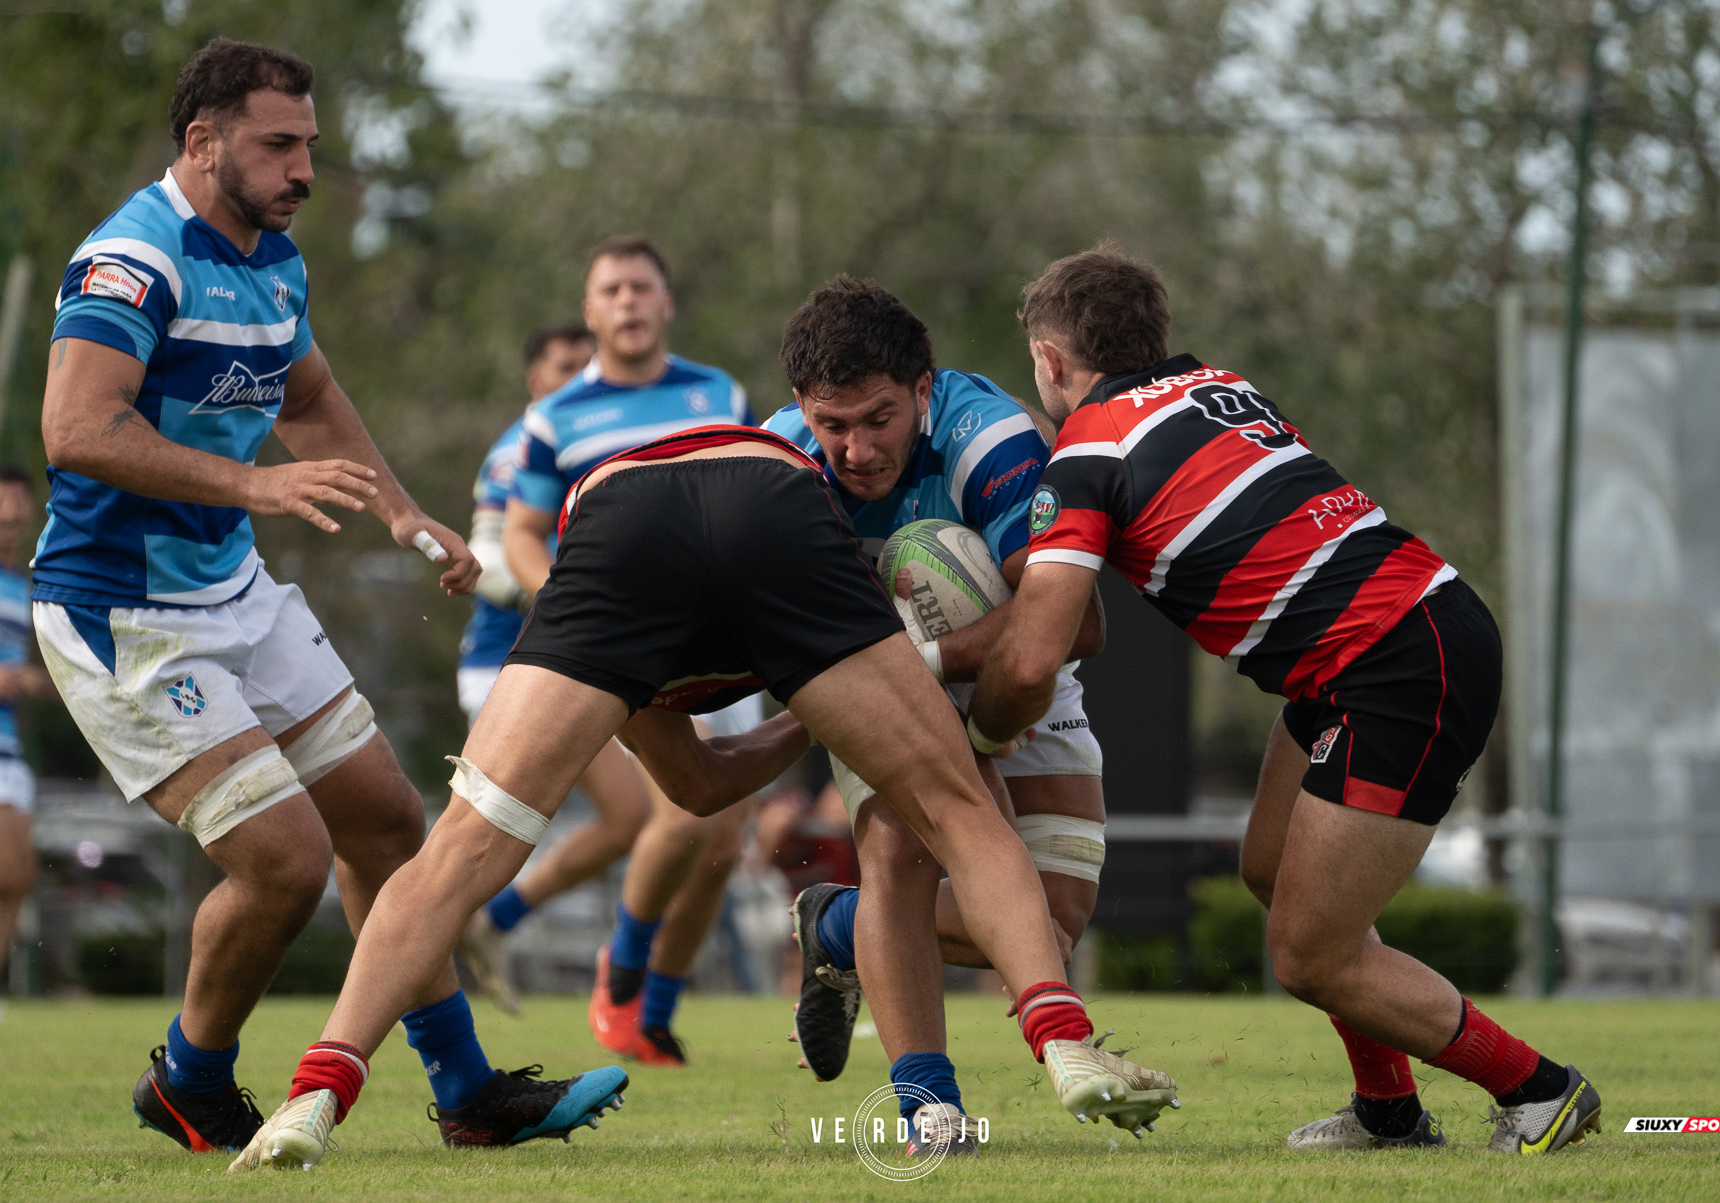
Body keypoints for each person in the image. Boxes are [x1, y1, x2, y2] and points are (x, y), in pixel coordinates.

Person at [229, 422, 1177, 1172]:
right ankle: (1065, 1039)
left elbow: (695, 784)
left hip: (617, 525)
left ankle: (319, 1085)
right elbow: (705, 787)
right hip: (767, 500)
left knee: (461, 850)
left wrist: (823, 711)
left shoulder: (620, 588)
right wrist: (834, 710)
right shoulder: (792, 481)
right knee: (957, 809)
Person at [34, 37, 620, 1155]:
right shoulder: (130, 261)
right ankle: (189, 1081)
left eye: (311, 144)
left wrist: (402, 512)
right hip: (125, 615)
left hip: (234, 590)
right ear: (203, 142)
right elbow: (75, 428)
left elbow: (308, 392)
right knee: (286, 862)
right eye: (280, 144)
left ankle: (466, 1092)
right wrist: (252, 481)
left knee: (393, 823)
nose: (306, 168)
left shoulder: (274, 260)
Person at [968, 243, 1602, 1156]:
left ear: (1051, 360)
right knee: (1269, 870)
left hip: (1396, 659)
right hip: (1382, 642)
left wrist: (974, 739)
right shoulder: (1221, 387)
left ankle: (1539, 1091)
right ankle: (1388, 1112)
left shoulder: (1089, 453)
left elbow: (1033, 660)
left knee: (1309, 954)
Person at [762, 276, 1110, 1147]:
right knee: (902, 850)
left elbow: (1080, 626)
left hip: (1006, 668)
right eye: (831, 424)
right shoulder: (776, 466)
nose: (855, 448)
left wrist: (961, 702)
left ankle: (836, 926)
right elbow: (781, 649)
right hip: (870, 675)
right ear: (802, 407)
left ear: (923, 390)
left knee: (1049, 922)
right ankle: (930, 1106)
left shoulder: (986, 438)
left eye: (878, 418)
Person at [480, 235, 762, 1065]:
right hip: (628, 647)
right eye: (613, 289)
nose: (629, 301)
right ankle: (625, 972)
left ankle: (652, 1009)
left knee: (723, 838)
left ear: (666, 303)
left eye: (643, 286)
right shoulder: (555, 418)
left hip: (722, 634)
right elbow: (524, 535)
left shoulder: (718, 392)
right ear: (591, 308)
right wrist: (569, 604)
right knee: (684, 811)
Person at [451, 322, 653, 1016]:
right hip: (510, 666)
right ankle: (428, 952)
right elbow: (489, 565)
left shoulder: (593, 441)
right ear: (534, 380)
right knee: (477, 840)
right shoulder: (518, 450)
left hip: (572, 665)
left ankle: (485, 922)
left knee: (629, 817)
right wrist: (575, 588)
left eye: (585, 364)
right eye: (563, 366)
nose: (577, 376)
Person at [0, 467, 58, 986]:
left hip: (9, 748)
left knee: (17, 877)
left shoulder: (23, 587)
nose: (11, 526)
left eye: (18, 518)